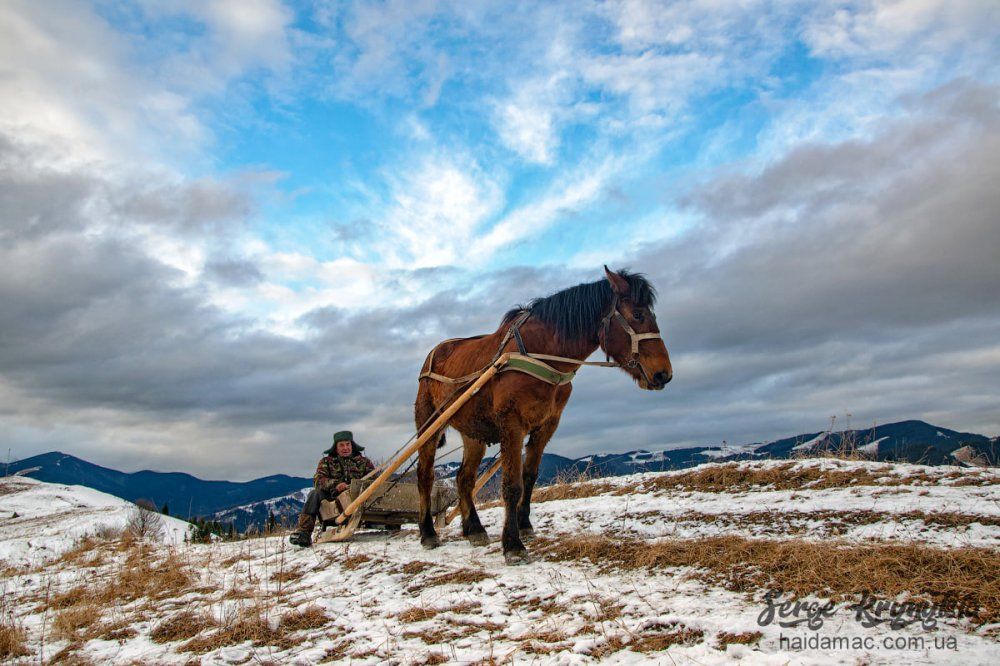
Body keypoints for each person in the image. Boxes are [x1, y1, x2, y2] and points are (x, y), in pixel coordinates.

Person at [289, 430, 375, 547]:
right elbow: (318, 480)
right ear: (336, 447)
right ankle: (304, 532)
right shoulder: (326, 462)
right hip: (332, 498)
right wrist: (335, 485)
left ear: (352, 445)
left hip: (358, 497)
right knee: (314, 494)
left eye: (348, 444)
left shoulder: (364, 462)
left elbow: (374, 479)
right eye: (341, 445)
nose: (345, 448)